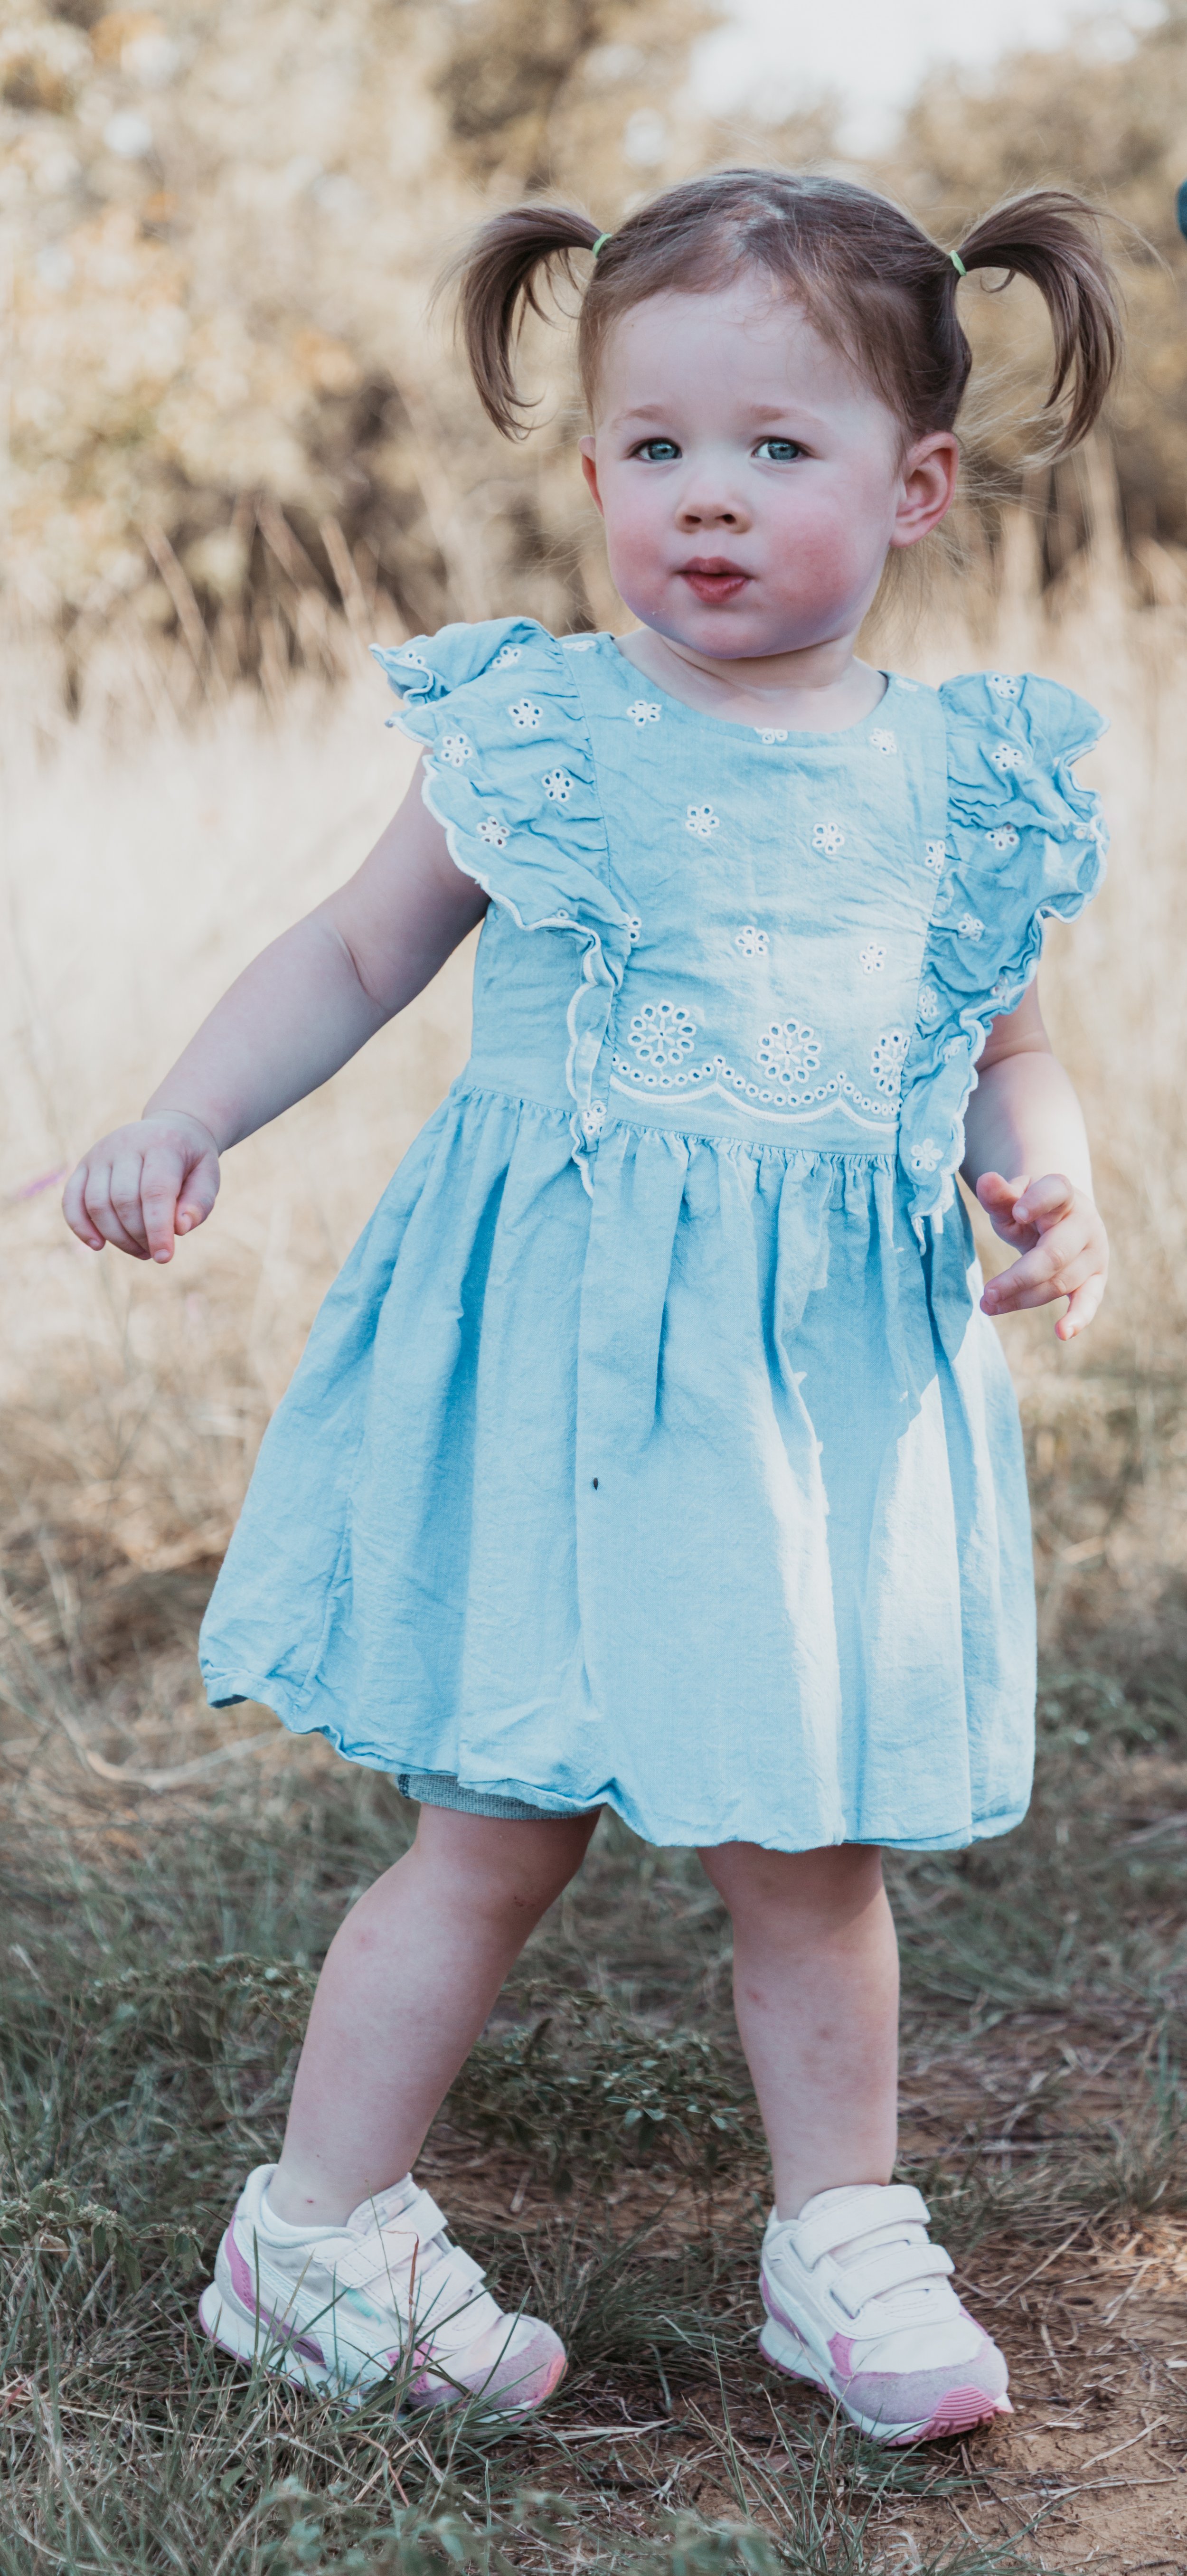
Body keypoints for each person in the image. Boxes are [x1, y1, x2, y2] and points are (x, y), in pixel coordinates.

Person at [64, 169, 1117, 2444]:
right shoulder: (542, 738)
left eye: (774, 448)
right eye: (654, 450)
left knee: (807, 1842)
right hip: (558, 1376)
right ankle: (316, 2233)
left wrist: (1050, 1178)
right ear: (588, 475)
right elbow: (351, 957)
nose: (704, 501)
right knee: (491, 1828)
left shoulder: (964, 781)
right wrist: (182, 1119)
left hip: (816, 1393)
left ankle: (838, 2235)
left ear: (916, 483)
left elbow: (1007, 1039)